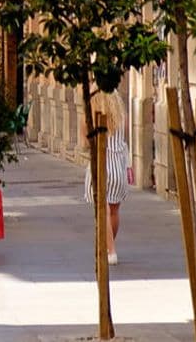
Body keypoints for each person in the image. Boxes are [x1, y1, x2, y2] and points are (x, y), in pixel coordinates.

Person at [83, 90, 130, 265]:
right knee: (114, 211)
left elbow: (85, 140)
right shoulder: (121, 114)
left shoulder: (93, 111)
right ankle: (109, 245)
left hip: (102, 164)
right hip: (118, 166)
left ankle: (111, 250)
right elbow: (125, 135)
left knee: (103, 210)